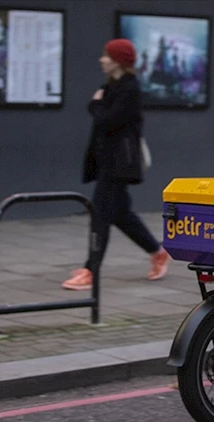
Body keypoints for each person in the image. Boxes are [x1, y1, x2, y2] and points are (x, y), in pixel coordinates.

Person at [62, 39, 169, 291]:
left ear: (118, 61)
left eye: (107, 56)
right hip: (108, 163)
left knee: (100, 215)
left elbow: (108, 121)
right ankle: (157, 252)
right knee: (121, 214)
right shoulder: (112, 86)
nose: (102, 60)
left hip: (119, 165)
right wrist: (99, 104)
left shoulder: (129, 89)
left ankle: (90, 271)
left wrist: (96, 104)